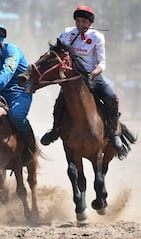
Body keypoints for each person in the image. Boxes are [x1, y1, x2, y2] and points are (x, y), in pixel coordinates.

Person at [40, 5, 122, 151]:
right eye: (78, 21)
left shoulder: (97, 37)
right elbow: (55, 52)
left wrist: (93, 74)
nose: (80, 24)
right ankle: (55, 130)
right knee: (59, 103)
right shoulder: (67, 33)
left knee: (111, 98)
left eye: (84, 22)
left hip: (92, 76)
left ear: (90, 23)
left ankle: (114, 133)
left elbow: (102, 63)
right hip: (71, 78)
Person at [0, 23, 36, 165]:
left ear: (2, 38)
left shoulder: (12, 50)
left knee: (16, 116)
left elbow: (8, 70)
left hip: (19, 92)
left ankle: (30, 148)